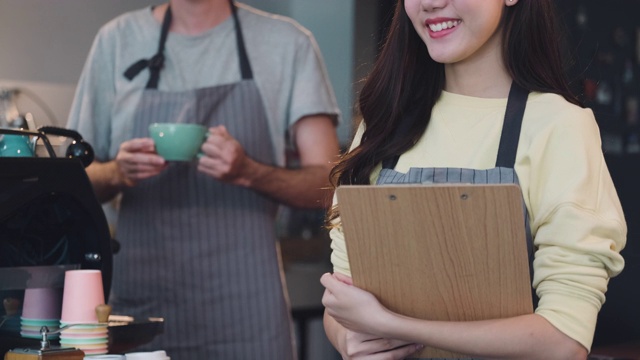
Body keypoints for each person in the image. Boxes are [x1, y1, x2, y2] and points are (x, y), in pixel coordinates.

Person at [320, 0, 627, 359]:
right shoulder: (384, 124)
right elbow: (342, 300)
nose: (431, 3)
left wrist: (392, 326)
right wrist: (348, 340)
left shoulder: (559, 128)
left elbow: (563, 343)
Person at [66, 0, 340, 358]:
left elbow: (330, 186)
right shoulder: (116, 41)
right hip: (142, 314)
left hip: (246, 314)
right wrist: (118, 172)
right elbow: (71, 184)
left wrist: (249, 172)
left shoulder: (288, 43)